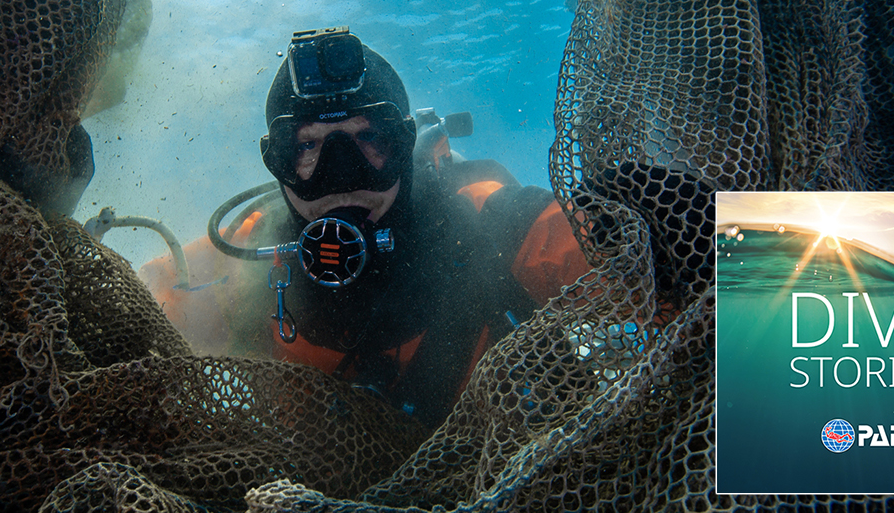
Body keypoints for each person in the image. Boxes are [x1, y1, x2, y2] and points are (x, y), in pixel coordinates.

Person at [139, 27, 589, 426]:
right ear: (278, 163)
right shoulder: (251, 256)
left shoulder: (495, 227)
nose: (341, 178)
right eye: (308, 146)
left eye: (368, 137)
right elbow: (141, 309)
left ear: (405, 146)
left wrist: (637, 219)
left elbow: (621, 255)